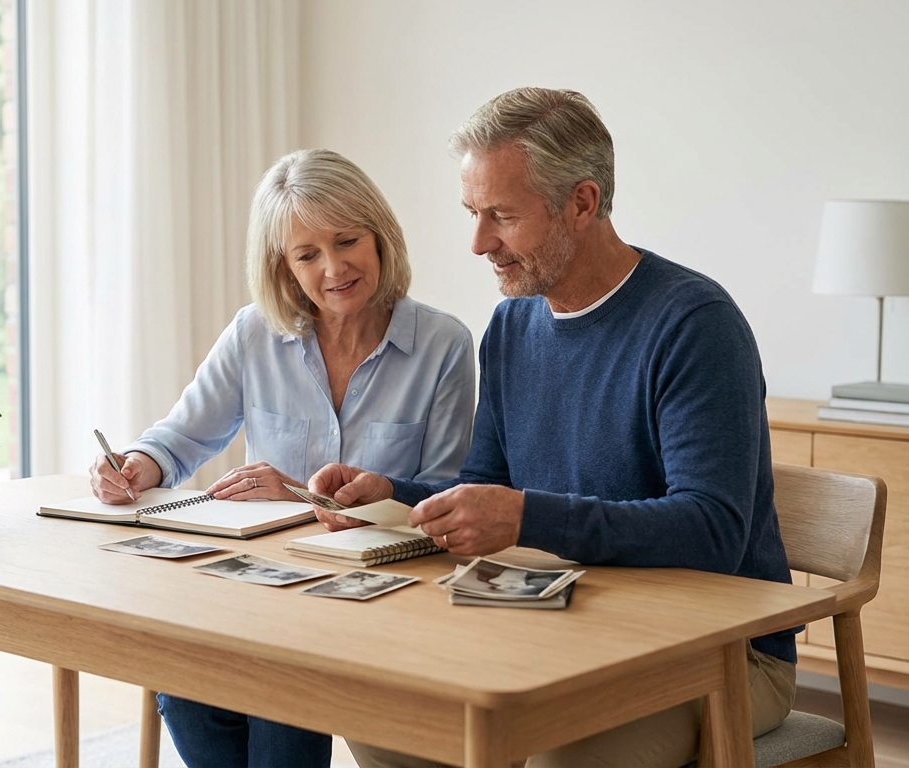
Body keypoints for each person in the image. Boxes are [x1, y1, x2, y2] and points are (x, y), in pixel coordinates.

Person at [310, 87, 798, 768]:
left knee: (557, 755)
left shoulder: (694, 324)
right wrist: (391, 494)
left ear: (583, 202)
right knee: (388, 721)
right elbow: (488, 487)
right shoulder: (512, 326)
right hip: (563, 629)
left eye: (502, 217)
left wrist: (527, 517)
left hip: (717, 655)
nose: (479, 243)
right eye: (473, 214)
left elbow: (712, 533)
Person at [90, 148, 478, 768]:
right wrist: (138, 464)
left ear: (379, 238)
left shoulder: (443, 344)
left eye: (347, 240)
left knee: (278, 689)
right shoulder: (253, 334)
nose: (334, 267)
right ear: (284, 266)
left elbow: (450, 491)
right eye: (307, 254)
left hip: (385, 593)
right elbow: (182, 436)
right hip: (266, 585)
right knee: (182, 678)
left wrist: (329, 491)